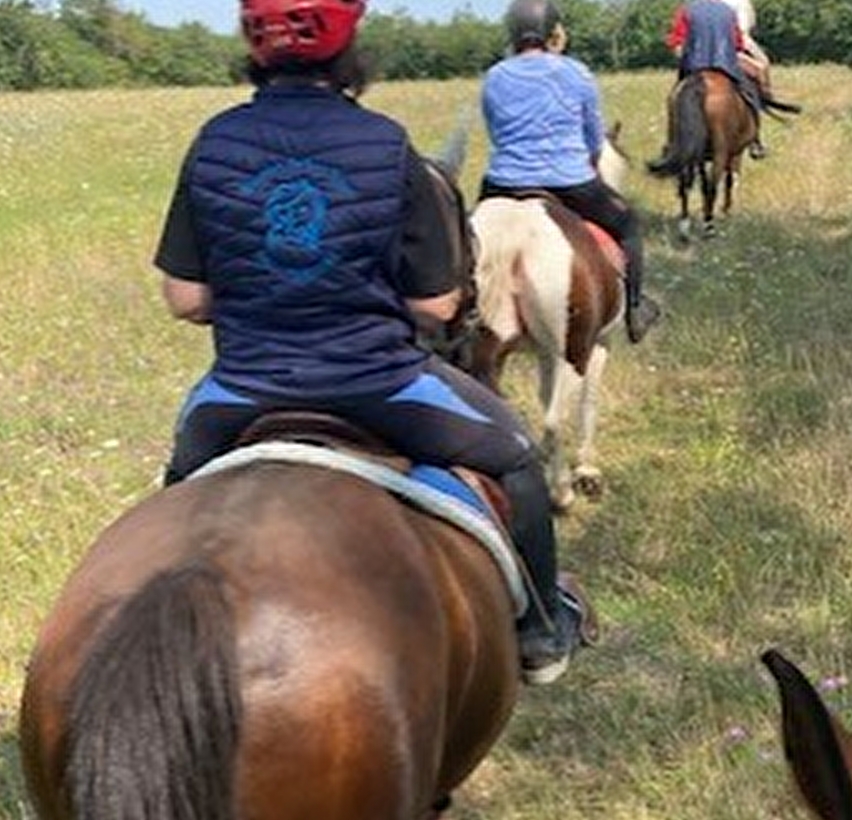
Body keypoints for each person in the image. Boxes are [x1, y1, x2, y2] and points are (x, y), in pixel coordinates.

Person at [153, 0, 591, 685]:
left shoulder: (214, 141)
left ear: (253, 46)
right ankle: (541, 632)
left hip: (239, 390)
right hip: (381, 386)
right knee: (514, 461)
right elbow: (434, 303)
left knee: (175, 493)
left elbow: (185, 298)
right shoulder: (386, 144)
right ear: (347, 50)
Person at [479, 0, 659, 344]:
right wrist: (589, 160)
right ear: (553, 33)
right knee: (629, 224)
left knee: (466, 241)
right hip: (568, 182)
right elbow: (594, 136)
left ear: (513, 33)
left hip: (504, 183)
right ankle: (636, 309)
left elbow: (495, 131)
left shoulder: (495, 75)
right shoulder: (576, 72)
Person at [665, 0, 767, 159]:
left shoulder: (686, 10)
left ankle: (673, 142)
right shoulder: (727, 11)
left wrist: (685, 56)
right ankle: (755, 138)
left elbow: (676, 42)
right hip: (725, 64)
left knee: (675, 98)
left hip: (695, 66)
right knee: (751, 88)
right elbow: (738, 42)